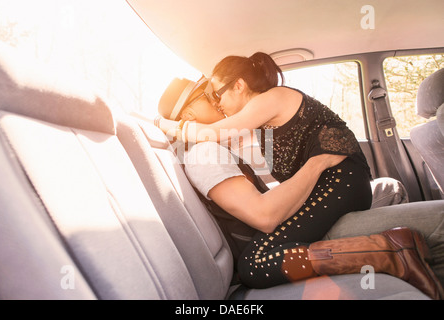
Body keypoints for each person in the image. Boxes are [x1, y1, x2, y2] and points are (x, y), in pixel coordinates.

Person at [155, 76, 443, 299]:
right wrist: (318, 163)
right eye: (206, 96)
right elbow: (264, 217)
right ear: (190, 115)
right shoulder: (204, 154)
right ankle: (393, 256)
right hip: (281, 243)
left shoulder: (220, 146)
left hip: (292, 227)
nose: (217, 101)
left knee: (389, 188)